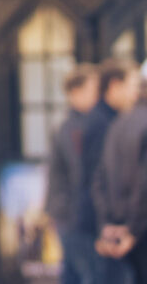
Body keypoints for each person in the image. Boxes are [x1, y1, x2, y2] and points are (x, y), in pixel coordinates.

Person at [50, 64, 108, 284]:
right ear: (75, 92)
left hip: (71, 212)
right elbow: (80, 172)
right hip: (73, 214)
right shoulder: (73, 127)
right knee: (87, 273)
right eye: (93, 89)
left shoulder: (75, 124)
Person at [93, 61, 147, 280]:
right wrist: (133, 229)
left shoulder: (118, 123)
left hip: (123, 229)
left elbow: (100, 180)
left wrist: (109, 224)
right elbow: (143, 184)